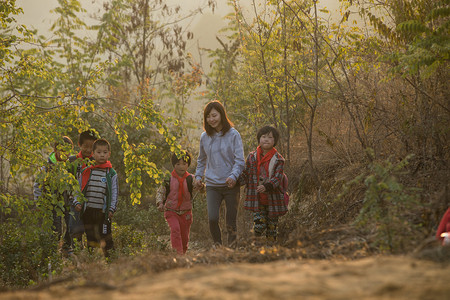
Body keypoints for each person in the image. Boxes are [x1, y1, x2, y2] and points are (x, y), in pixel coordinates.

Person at [194, 100, 245, 247]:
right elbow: (201, 160)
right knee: (213, 218)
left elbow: (240, 160)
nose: (212, 119)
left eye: (214, 115)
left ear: (222, 115)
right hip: (212, 185)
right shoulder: (205, 137)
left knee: (230, 221)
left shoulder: (234, 135)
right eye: (208, 116)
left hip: (231, 184)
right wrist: (198, 177)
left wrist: (234, 176)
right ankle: (218, 247)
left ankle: (232, 251)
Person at [240, 125, 288, 244]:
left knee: (272, 229)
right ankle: (254, 246)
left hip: (273, 199)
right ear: (259, 139)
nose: (266, 139)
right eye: (263, 136)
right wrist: (235, 181)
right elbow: (246, 173)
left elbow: (277, 178)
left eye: (270, 137)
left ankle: (270, 252)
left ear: (274, 141)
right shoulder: (252, 157)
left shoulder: (279, 159)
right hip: (257, 199)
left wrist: (267, 186)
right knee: (259, 225)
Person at [73, 138, 118, 257]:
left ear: (109, 154)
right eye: (99, 152)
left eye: (104, 152)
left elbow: (114, 192)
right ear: (93, 153)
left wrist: (111, 209)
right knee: (91, 238)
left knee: (106, 238)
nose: (102, 155)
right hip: (88, 210)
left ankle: (111, 262)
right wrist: (77, 201)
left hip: (103, 212)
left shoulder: (111, 173)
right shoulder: (86, 170)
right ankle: (92, 263)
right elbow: (78, 188)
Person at [33, 136, 75, 255]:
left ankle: (67, 248)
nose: (65, 153)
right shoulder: (46, 167)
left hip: (68, 201)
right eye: (62, 150)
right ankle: (53, 252)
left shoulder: (70, 165)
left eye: (68, 150)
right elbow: (38, 185)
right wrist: (39, 201)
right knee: (56, 228)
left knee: (71, 224)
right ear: (55, 149)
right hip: (51, 204)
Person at [156, 151, 195, 255]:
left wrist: (202, 188)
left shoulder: (191, 178)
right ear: (173, 165)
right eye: (178, 164)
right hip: (171, 211)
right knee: (175, 230)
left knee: (184, 236)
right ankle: (178, 255)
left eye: (184, 164)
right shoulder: (168, 178)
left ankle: (183, 253)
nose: (181, 167)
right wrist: (160, 203)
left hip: (186, 212)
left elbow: (198, 188)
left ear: (188, 164)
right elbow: (161, 191)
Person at [68, 130, 97, 246]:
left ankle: (91, 258)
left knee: (92, 231)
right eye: (86, 146)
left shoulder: (96, 161)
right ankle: (75, 253)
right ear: (79, 145)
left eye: (91, 147)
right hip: (73, 201)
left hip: (91, 200)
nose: (89, 150)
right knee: (75, 229)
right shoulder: (72, 160)